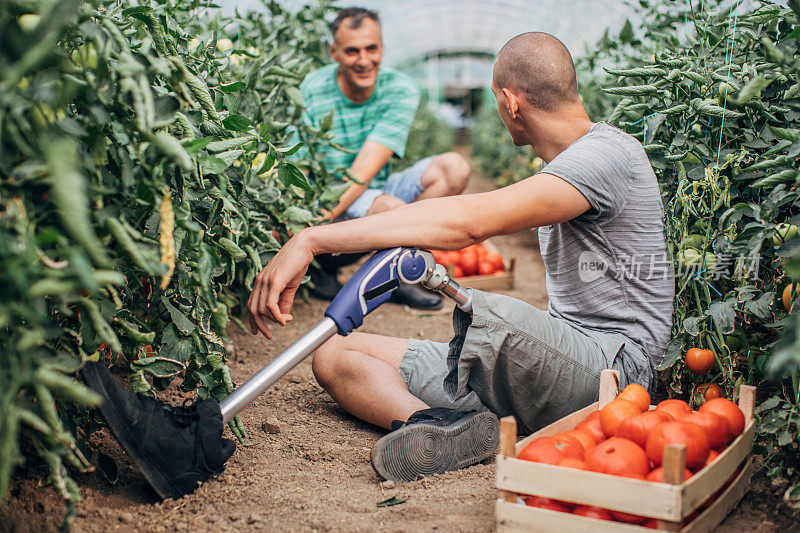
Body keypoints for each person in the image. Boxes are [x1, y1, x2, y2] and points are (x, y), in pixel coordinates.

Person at [83, 31, 674, 497]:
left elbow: (469, 221)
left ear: (509, 103)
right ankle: (442, 429)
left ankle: (466, 412)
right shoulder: (571, 163)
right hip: (564, 359)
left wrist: (315, 239)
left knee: (500, 318)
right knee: (336, 354)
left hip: (614, 374)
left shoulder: (609, 156)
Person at [295, 7, 471, 309]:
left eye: (371, 49)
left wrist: (316, 228)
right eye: (352, 51)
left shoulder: (398, 89)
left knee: (453, 169)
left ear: (382, 48)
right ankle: (328, 266)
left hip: (367, 185)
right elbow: (297, 162)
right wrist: (301, 221)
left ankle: (394, 273)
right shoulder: (313, 88)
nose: (364, 61)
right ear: (334, 52)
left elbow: (365, 170)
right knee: (390, 210)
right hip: (322, 194)